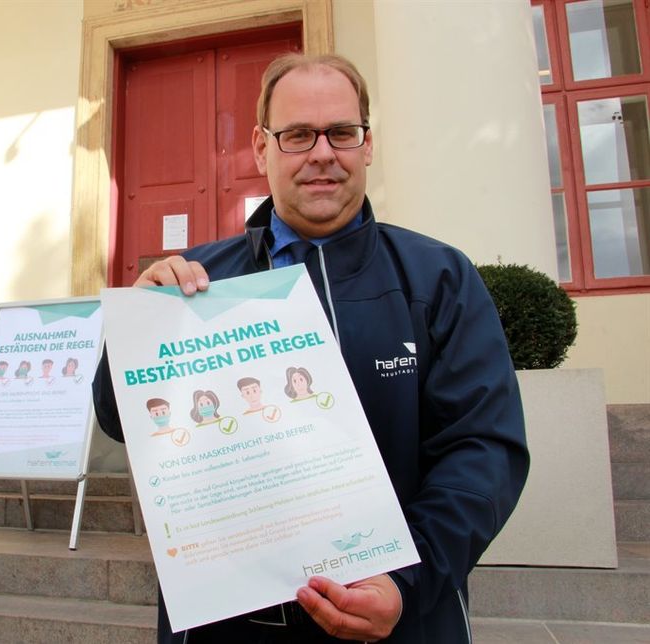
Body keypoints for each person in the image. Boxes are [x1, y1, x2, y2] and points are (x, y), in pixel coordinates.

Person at [93, 53, 529, 643]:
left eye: (341, 133)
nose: (322, 153)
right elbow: (122, 421)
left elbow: (484, 450)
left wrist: (406, 581)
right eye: (297, 135)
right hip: (226, 625)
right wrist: (139, 333)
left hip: (397, 621)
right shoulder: (197, 281)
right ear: (260, 147)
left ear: (366, 145)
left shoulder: (439, 278)